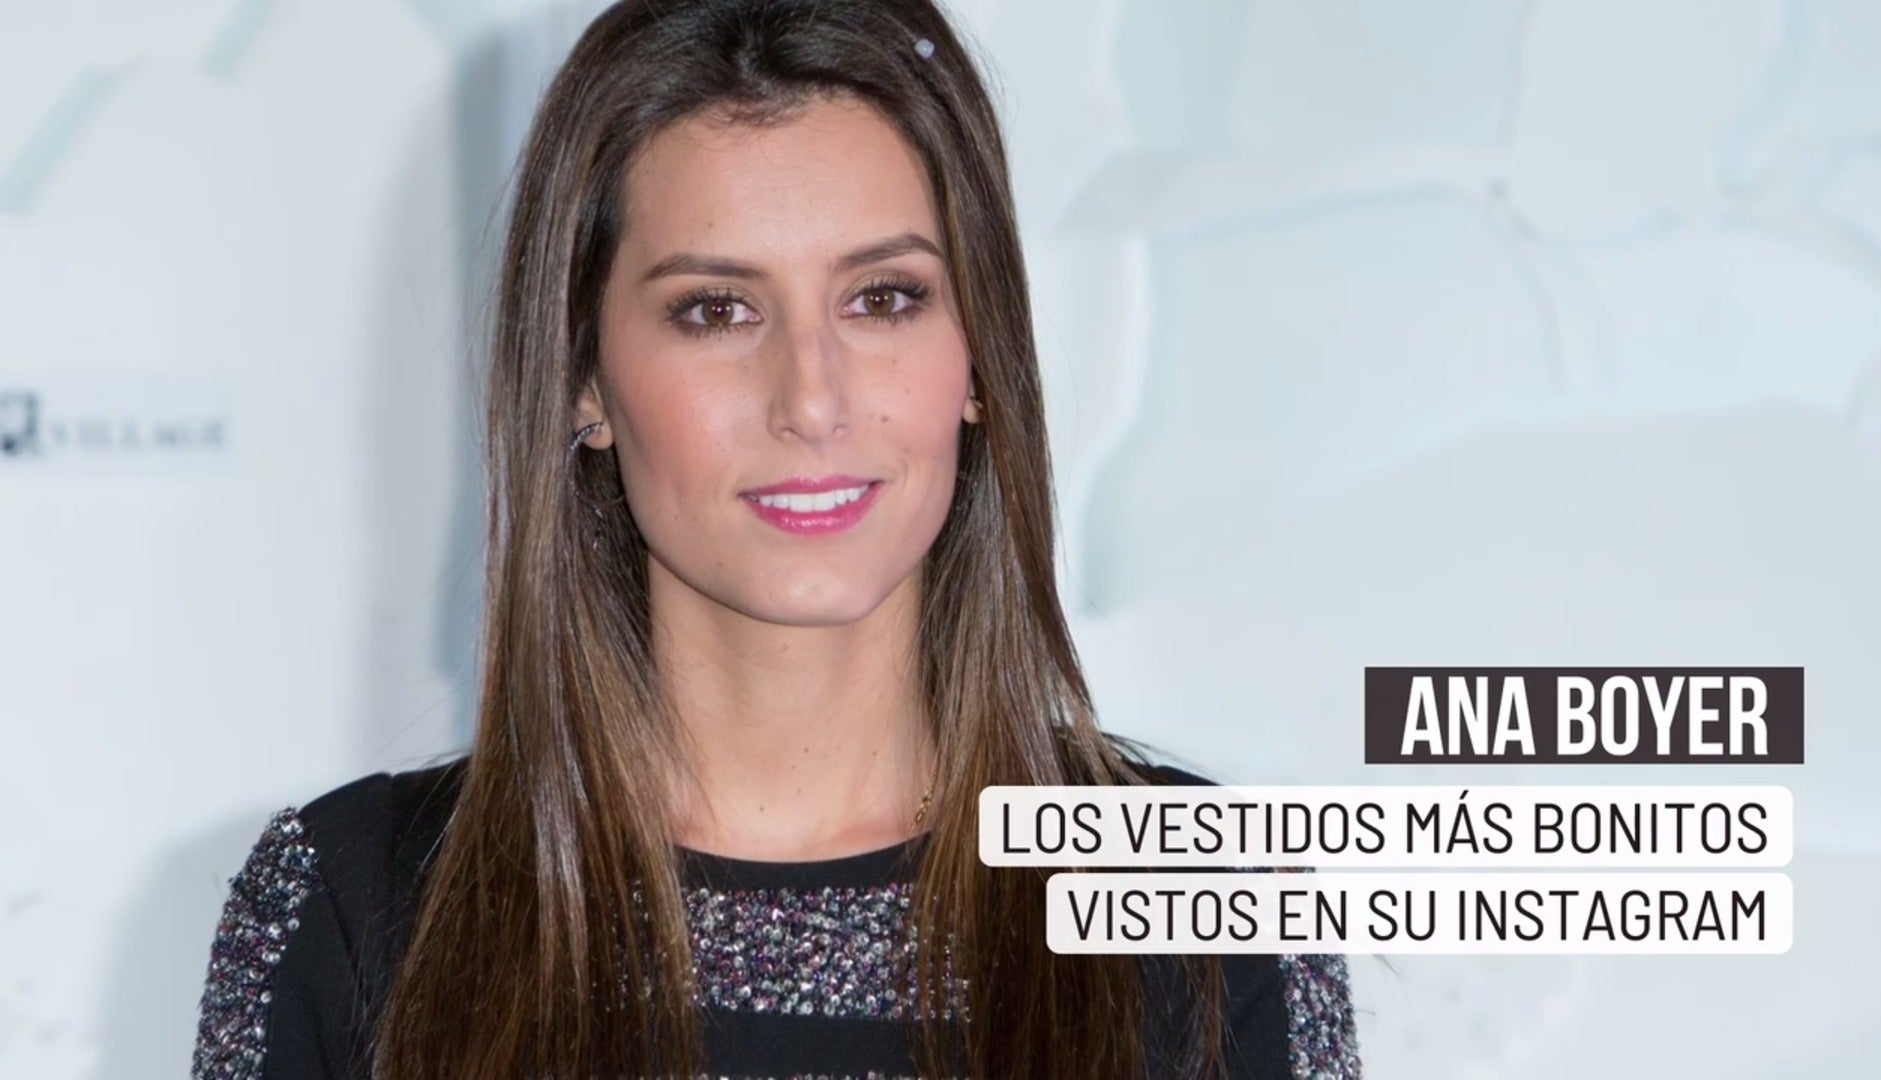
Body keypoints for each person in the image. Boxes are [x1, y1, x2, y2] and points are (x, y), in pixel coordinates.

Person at [190, 1, 1362, 1076]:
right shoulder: (353, 909)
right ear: (585, 379)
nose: (811, 399)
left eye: (883, 298)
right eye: (716, 310)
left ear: (979, 357)